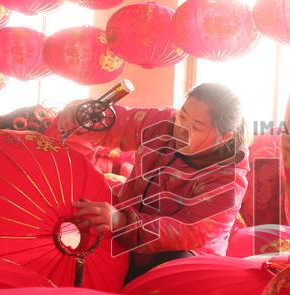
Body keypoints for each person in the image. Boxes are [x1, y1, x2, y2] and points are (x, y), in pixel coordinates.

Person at [55, 82, 250, 284]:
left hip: (181, 257)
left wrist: (123, 222)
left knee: (168, 273)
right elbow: (122, 123)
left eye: (197, 127)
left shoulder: (228, 179)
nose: (181, 129)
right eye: (182, 116)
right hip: (122, 225)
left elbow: (188, 230)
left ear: (224, 138)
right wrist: (84, 115)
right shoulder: (163, 123)